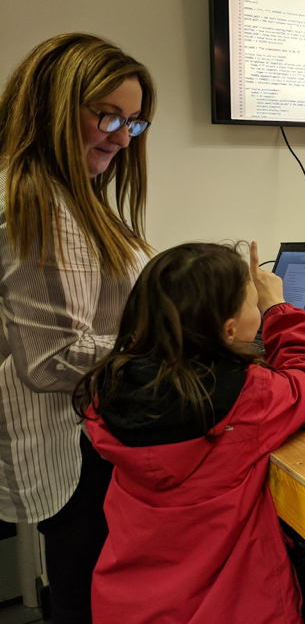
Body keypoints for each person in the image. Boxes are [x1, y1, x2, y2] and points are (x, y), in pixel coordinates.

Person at [75, 242, 305, 624]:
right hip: (230, 608)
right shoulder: (251, 396)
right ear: (230, 328)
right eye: (252, 305)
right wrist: (277, 307)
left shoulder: (110, 388)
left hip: (128, 604)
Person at [0, 33, 154, 624]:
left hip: (94, 431)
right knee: (86, 595)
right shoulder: (32, 202)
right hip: (74, 445)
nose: (120, 137)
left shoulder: (74, 196)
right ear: (52, 105)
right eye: (107, 115)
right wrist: (181, 340)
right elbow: (52, 359)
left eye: (133, 122)